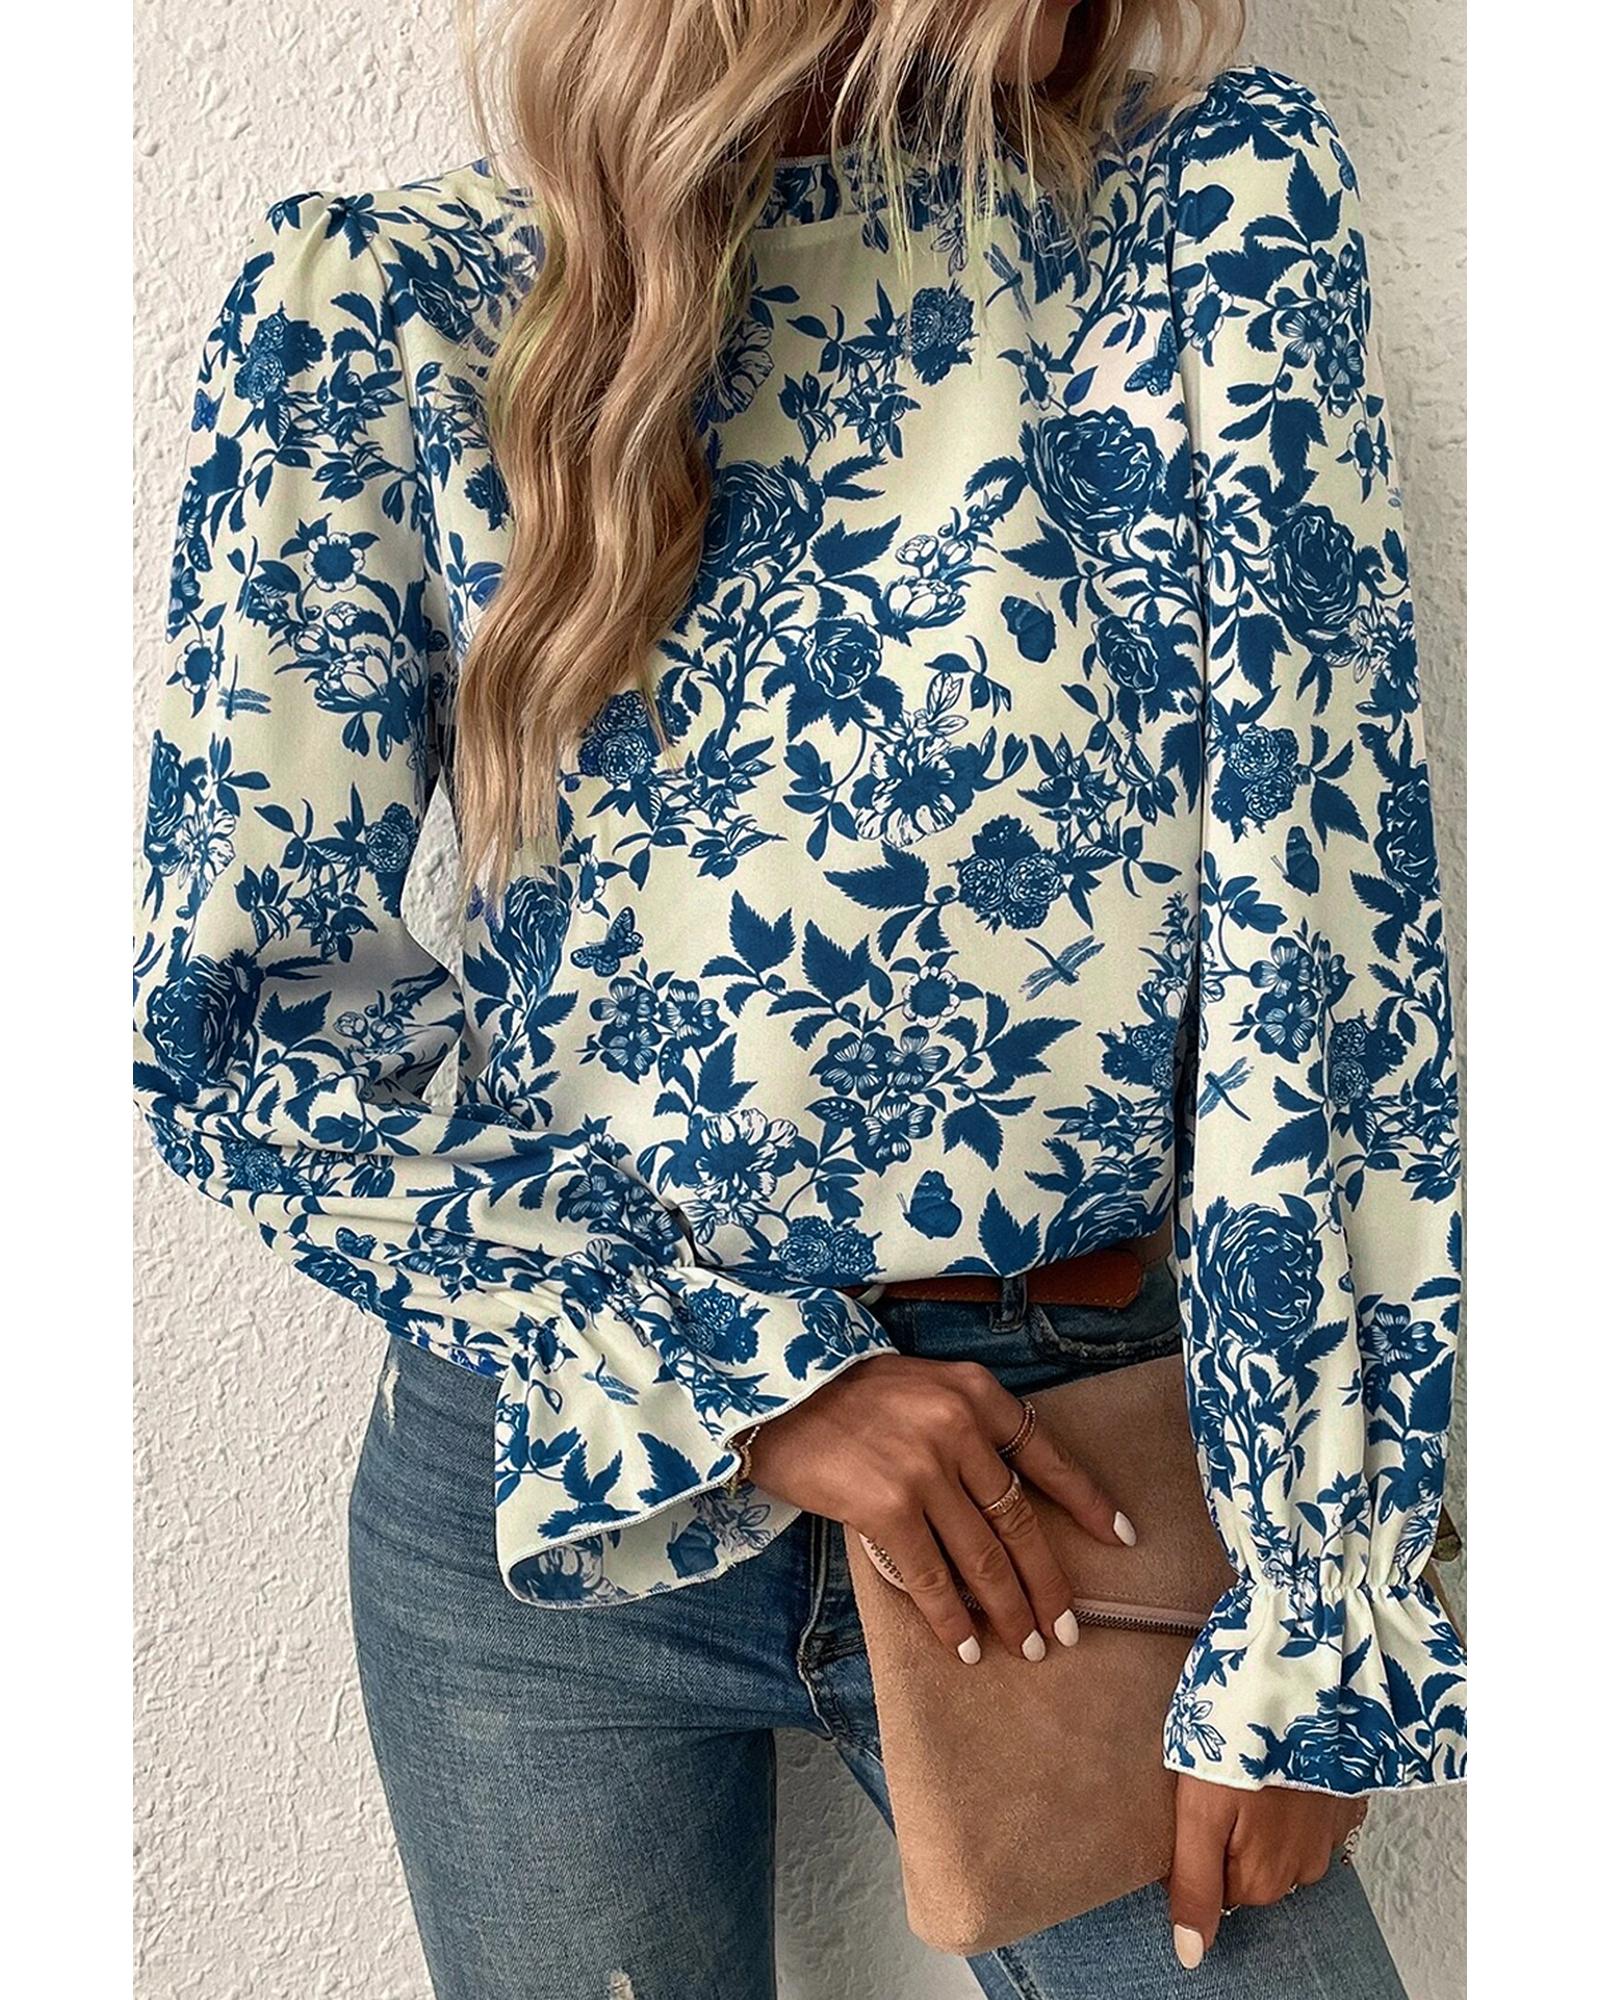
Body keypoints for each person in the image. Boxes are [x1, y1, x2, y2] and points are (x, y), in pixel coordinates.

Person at [131, 1, 1466, 1994]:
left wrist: (1316, 1606)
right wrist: (754, 1383)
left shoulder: (1200, 226)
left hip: (1064, 1468)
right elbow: (242, 1023)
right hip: (557, 1464)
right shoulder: (393, 308)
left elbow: (1330, 949)